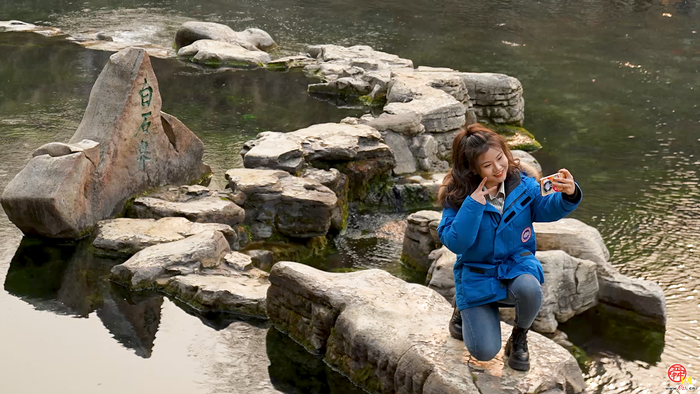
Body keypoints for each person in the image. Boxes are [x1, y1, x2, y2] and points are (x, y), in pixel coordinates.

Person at [436, 123, 582, 371]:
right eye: (487, 165)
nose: (498, 168)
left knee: (530, 289)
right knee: (484, 352)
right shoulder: (458, 196)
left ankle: (518, 338)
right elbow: (455, 241)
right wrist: (473, 205)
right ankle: (463, 307)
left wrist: (567, 195)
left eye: (500, 158)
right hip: (477, 271)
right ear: (473, 169)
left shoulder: (522, 184)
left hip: (515, 264)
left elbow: (543, 208)